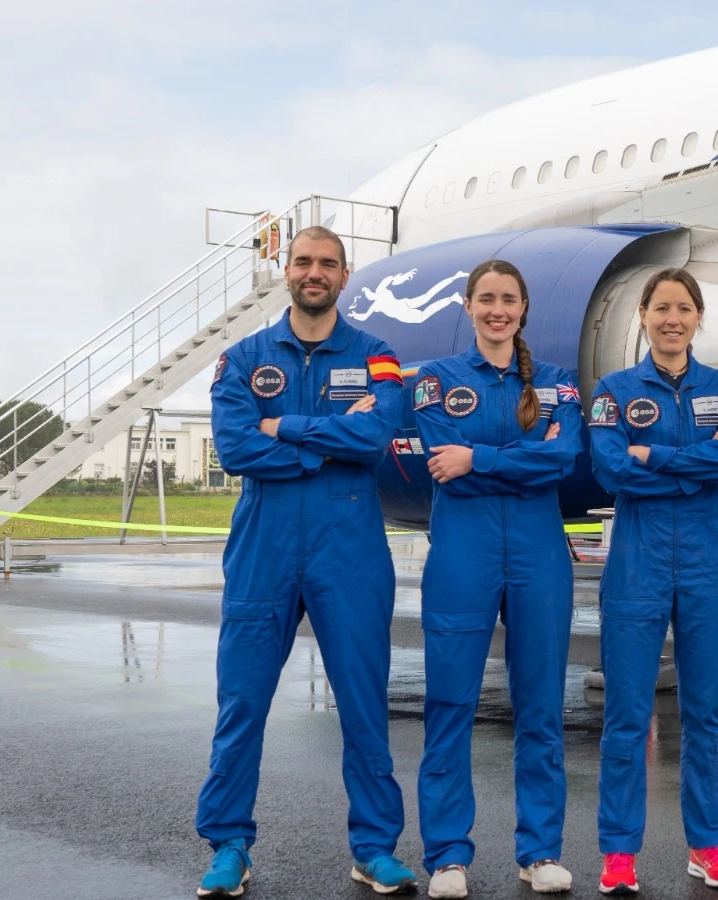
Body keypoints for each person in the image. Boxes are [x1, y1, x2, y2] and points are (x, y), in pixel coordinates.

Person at [195, 226, 415, 898]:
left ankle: (374, 849)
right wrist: (329, 448)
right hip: (265, 546)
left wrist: (284, 427)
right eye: (303, 262)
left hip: (347, 548)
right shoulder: (242, 359)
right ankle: (229, 843)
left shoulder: (379, 357)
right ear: (285, 270)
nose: (314, 272)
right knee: (242, 702)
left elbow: (376, 434)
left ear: (345, 276)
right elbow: (235, 448)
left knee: (362, 703)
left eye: (327, 263)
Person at [411, 259, 583, 899]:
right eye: (486, 299)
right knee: (450, 703)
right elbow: (439, 459)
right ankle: (448, 856)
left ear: (524, 307)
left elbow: (561, 459)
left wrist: (477, 457)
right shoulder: (434, 381)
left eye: (508, 299)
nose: (497, 310)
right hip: (463, 551)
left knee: (540, 705)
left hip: (539, 552)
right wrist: (518, 463)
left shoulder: (559, 384)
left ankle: (539, 851)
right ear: (468, 305)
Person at [587, 268, 718, 895]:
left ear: (697, 317)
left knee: (707, 712)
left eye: (684, 308)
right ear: (643, 315)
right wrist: (693, 470)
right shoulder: (614, 389)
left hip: (707, 561)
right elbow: (610, 470)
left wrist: (652, 455)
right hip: (638, 557)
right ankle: (618, 853)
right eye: (661, 308)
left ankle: (707, 846)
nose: (672, 319)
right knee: (628, 712)